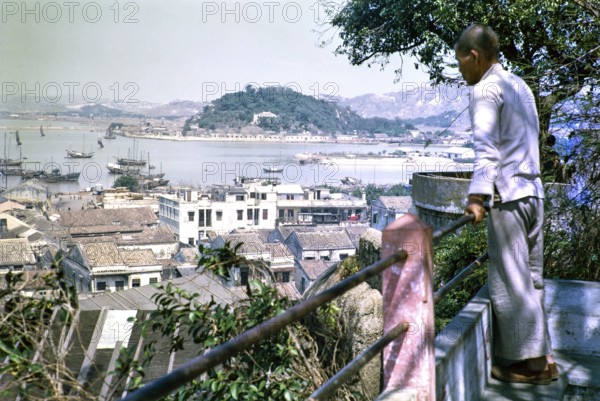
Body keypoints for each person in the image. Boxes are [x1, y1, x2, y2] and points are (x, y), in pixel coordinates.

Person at [456, 23, 557, 385]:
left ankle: (529, 366)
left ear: (475, 56)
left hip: (509, 197)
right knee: (532, 279)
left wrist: (477, 197)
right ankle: (544, 356)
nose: (460, 71)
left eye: (460, 62)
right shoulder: (519, 85)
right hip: (534, 194)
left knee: (513, 282)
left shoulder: (486, 89)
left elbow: (486, 149)